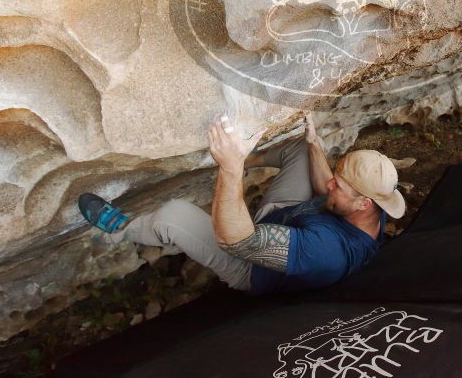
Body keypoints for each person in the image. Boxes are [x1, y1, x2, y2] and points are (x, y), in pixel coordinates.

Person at [78, 114, 405, 295]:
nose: (330, 183)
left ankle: (123, 229)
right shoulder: (369, 212)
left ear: (363, 202)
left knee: (171, 214)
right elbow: (325, 191)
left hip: (250, 264)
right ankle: (246, 156)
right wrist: (314, 146)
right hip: (290, 219)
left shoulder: (327, 253)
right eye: (336, 176)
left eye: (340, 185)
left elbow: (238, 241)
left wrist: (230, 167)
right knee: (303, 152)